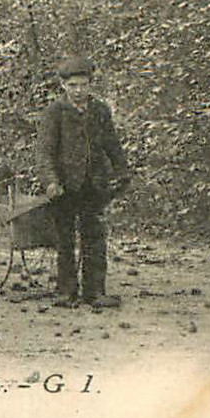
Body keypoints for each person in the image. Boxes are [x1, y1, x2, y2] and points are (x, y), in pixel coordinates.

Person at [35, 56, 131, 309]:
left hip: (94, 183)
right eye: (73, 85)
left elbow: (112, 143)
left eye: (84, 84)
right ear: (64, 86)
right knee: (65, 240)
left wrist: (122, 170)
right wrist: (51, 182)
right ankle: (66, 291)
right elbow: (44, 152)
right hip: (65, 186)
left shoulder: (100, 110)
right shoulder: (55, 112)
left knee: (95, 238)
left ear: (91, 84)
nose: (79, 90)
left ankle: (95, 291)